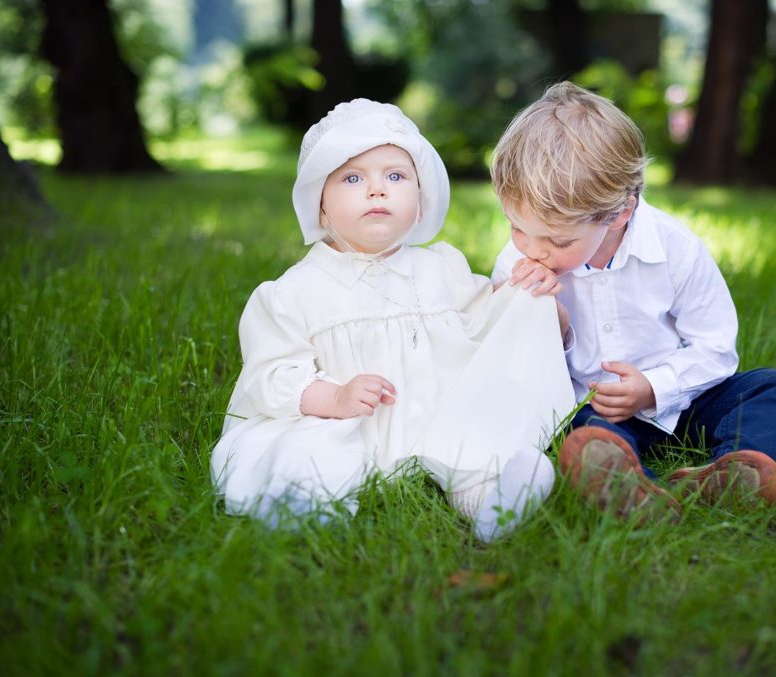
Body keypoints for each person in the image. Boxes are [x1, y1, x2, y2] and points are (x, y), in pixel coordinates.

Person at [211, 99, 575, 541]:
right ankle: (307, 503)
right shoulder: (294, 292)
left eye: (396, 176)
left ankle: (489, 501)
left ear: (420, 206)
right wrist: (336, 397)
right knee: (312, 451)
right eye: (352, 178)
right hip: (354, 424)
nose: (377, 190)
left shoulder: (443, 267)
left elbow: (485, 324)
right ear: (320, 207)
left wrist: (528, 297)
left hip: (442, 418)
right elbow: (272, 376)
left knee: (474, 445)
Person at [490, 82, 776, 519]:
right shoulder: (517, 265)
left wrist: (655, 388)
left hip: (681, 400)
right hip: (595, 407)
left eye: (557, 239)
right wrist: (543, 316)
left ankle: (731, 469)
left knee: (771, 389)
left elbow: (715, 348)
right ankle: (638, 490)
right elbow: (511, 368)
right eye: (516, 227)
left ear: (619, 213)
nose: (532, 248)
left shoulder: (676, 250)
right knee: (582, 431)